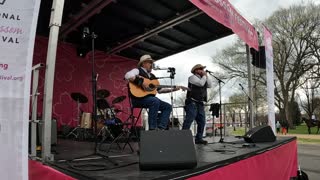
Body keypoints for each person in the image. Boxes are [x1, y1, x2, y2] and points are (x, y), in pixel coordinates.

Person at [124, 54, 181, 130]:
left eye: (152, 63)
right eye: (149, 62)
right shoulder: (137, 70)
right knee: (155, 101)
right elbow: (128, 75)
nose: (152, 64)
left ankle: (161, 128)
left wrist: (174, 89)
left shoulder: (153, 76)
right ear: (143, 63)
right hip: (137, 99)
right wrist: (141, 82)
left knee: (167, 107)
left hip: (150, 100)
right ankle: (152, 128)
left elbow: (160, 90)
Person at [182, 64, 213, 145]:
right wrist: (204, 76)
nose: (202, 70)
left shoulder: (203, 77)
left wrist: (206, 76)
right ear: (196, 70)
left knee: (202, 121)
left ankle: (199, 139)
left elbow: (209, 85)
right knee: (189, 119)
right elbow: (200, 84)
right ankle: (182, 138)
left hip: (200, 103)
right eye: (200, 69)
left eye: (202, 69)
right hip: (192, 101)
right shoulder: (192, 78)